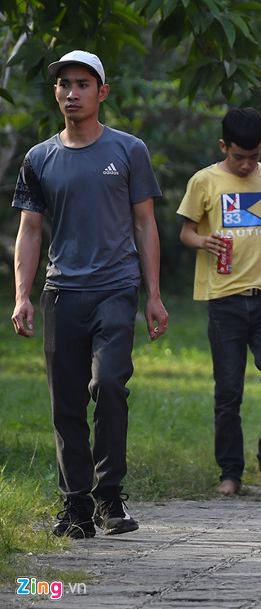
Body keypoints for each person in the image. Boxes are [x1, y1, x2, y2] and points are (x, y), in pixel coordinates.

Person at [11, 50, 168, 538]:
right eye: (64, 84)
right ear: (55, 92)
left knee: (109, 385)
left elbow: (145, 223)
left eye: (83, 84)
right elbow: (30, 230)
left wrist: (153, 294)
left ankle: (109, 496)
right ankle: (76, 506)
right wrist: (22, 295)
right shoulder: (39, 158)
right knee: (66, 404)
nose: (72, 92)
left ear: (102, 92)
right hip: (62, 293)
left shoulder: (128, 150)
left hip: (115, 289)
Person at [177, 108, 261, 495]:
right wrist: (203, 240)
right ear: (223, 146)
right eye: (238, 157)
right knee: (228, 390)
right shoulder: (204, 180)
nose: (247, 165)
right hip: (224, 300)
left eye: (254, 156)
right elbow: (186, 232)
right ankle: (230, 472)